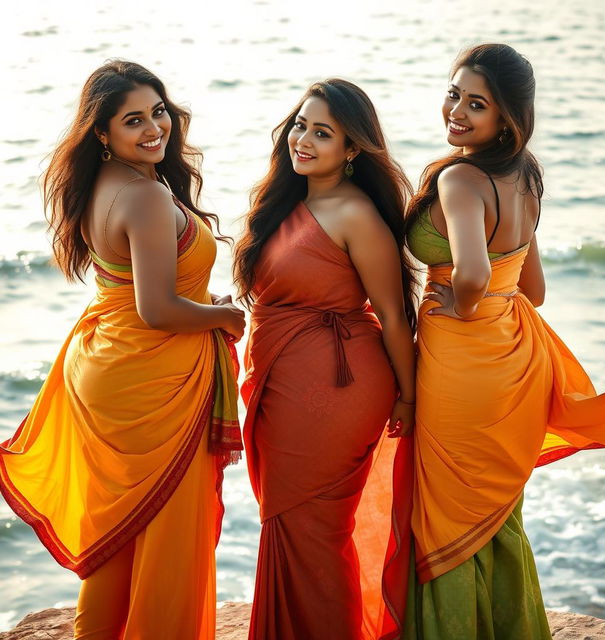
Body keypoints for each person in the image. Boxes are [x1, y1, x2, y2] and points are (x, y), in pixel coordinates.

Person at [0, 60, 245, 639]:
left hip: (110, 361)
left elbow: (134, 288)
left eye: (158, 111)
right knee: (164, 534)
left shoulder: (105, 184)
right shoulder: (146, 198)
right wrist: (224, 316)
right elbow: (157, 309)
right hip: (152, 376)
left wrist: (199, 298)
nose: (154, 128)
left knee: (124, 532)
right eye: (133, 120)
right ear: (102, 134)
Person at [403, 43, 605, 639]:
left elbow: (475, 274)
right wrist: (482, 294)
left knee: (448, 511)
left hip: (460, 365)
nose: (455, 110)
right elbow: (532, 288)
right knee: (494, 511)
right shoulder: (524, 176)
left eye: (475, 103)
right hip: (511, 359)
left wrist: (456, 300)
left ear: (506, 117)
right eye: (453, 93)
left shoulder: (460, 177)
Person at [234, 78, 418, 640]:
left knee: (312, 530)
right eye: (300, 126)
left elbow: (392, 313)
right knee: (292, 528)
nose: (304, 141)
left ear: (353, 148)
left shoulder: (355, 213)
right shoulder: (287, 201)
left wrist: (409, 398)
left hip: (336, 390)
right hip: (283, 381)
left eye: (323, 133)